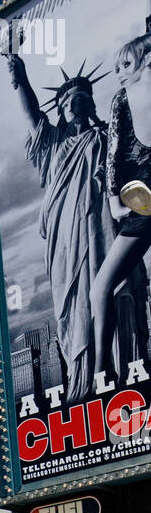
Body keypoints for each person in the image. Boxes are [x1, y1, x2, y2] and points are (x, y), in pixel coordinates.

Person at [2, 46, 112, 407]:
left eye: (83, 101)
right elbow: (34, 116)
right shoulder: (54, 145)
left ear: (91, 106)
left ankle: (115, 369)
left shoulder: (105, 138)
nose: (77, 107)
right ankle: (84, 377)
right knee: (73, 304)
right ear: (61, 111)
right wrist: (21, 78)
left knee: (109, 289)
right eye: (70, 104)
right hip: (65, 240)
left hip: (102, 230)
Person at [91, 27, 151, 386]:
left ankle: (102, 372)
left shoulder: (123, 97)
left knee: (100, 287)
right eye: (116, 66)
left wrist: (114, 201)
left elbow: (113, 155)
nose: (119, 71)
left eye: (126, 63)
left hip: (141, 196)